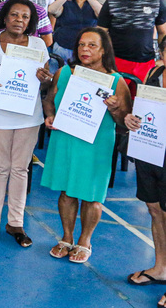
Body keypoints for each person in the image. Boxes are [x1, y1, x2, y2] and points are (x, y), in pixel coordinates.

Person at [42, 27, 132, 264]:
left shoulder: (115, 81)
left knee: (92, 195)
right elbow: (50, 100)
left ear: (104, 50)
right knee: (66, 190)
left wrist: (114, 108)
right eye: (82, 44)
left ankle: (85, 241)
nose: (85, 49)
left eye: (92, 45)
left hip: (97, 143)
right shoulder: (64, 73)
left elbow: (125, 121)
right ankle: (67, 238)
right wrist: (49, 116)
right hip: (66, 138)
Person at [0, 0, 51, 247]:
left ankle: (16, 223)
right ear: (4, 18)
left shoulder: (38, 44)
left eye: (25, 17)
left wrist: (44, 79)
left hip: (28, 116)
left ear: (31, 22)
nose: (19, 20)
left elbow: (47, 82)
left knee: (20, 169)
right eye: (14, 15)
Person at [124, 38, 166, 307]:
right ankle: (161, 268)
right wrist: (130, 117)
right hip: (150, 150)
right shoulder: (155, 73)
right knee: (155, 209)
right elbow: (140, 109)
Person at [98, 0, 166, 82]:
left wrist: (162, 57)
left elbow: (162, 32)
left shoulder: (156, 3)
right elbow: (100, 34)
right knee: (115, 99)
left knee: (141, 99)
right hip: (116, 61)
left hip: (146, 63)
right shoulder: (111, 3)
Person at [48, 0, 101, 64]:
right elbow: (51, 10)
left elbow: (102, 14)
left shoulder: (93, 4)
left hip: (86, 49)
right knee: (59, 74)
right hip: (63, 46)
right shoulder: (66, 4)